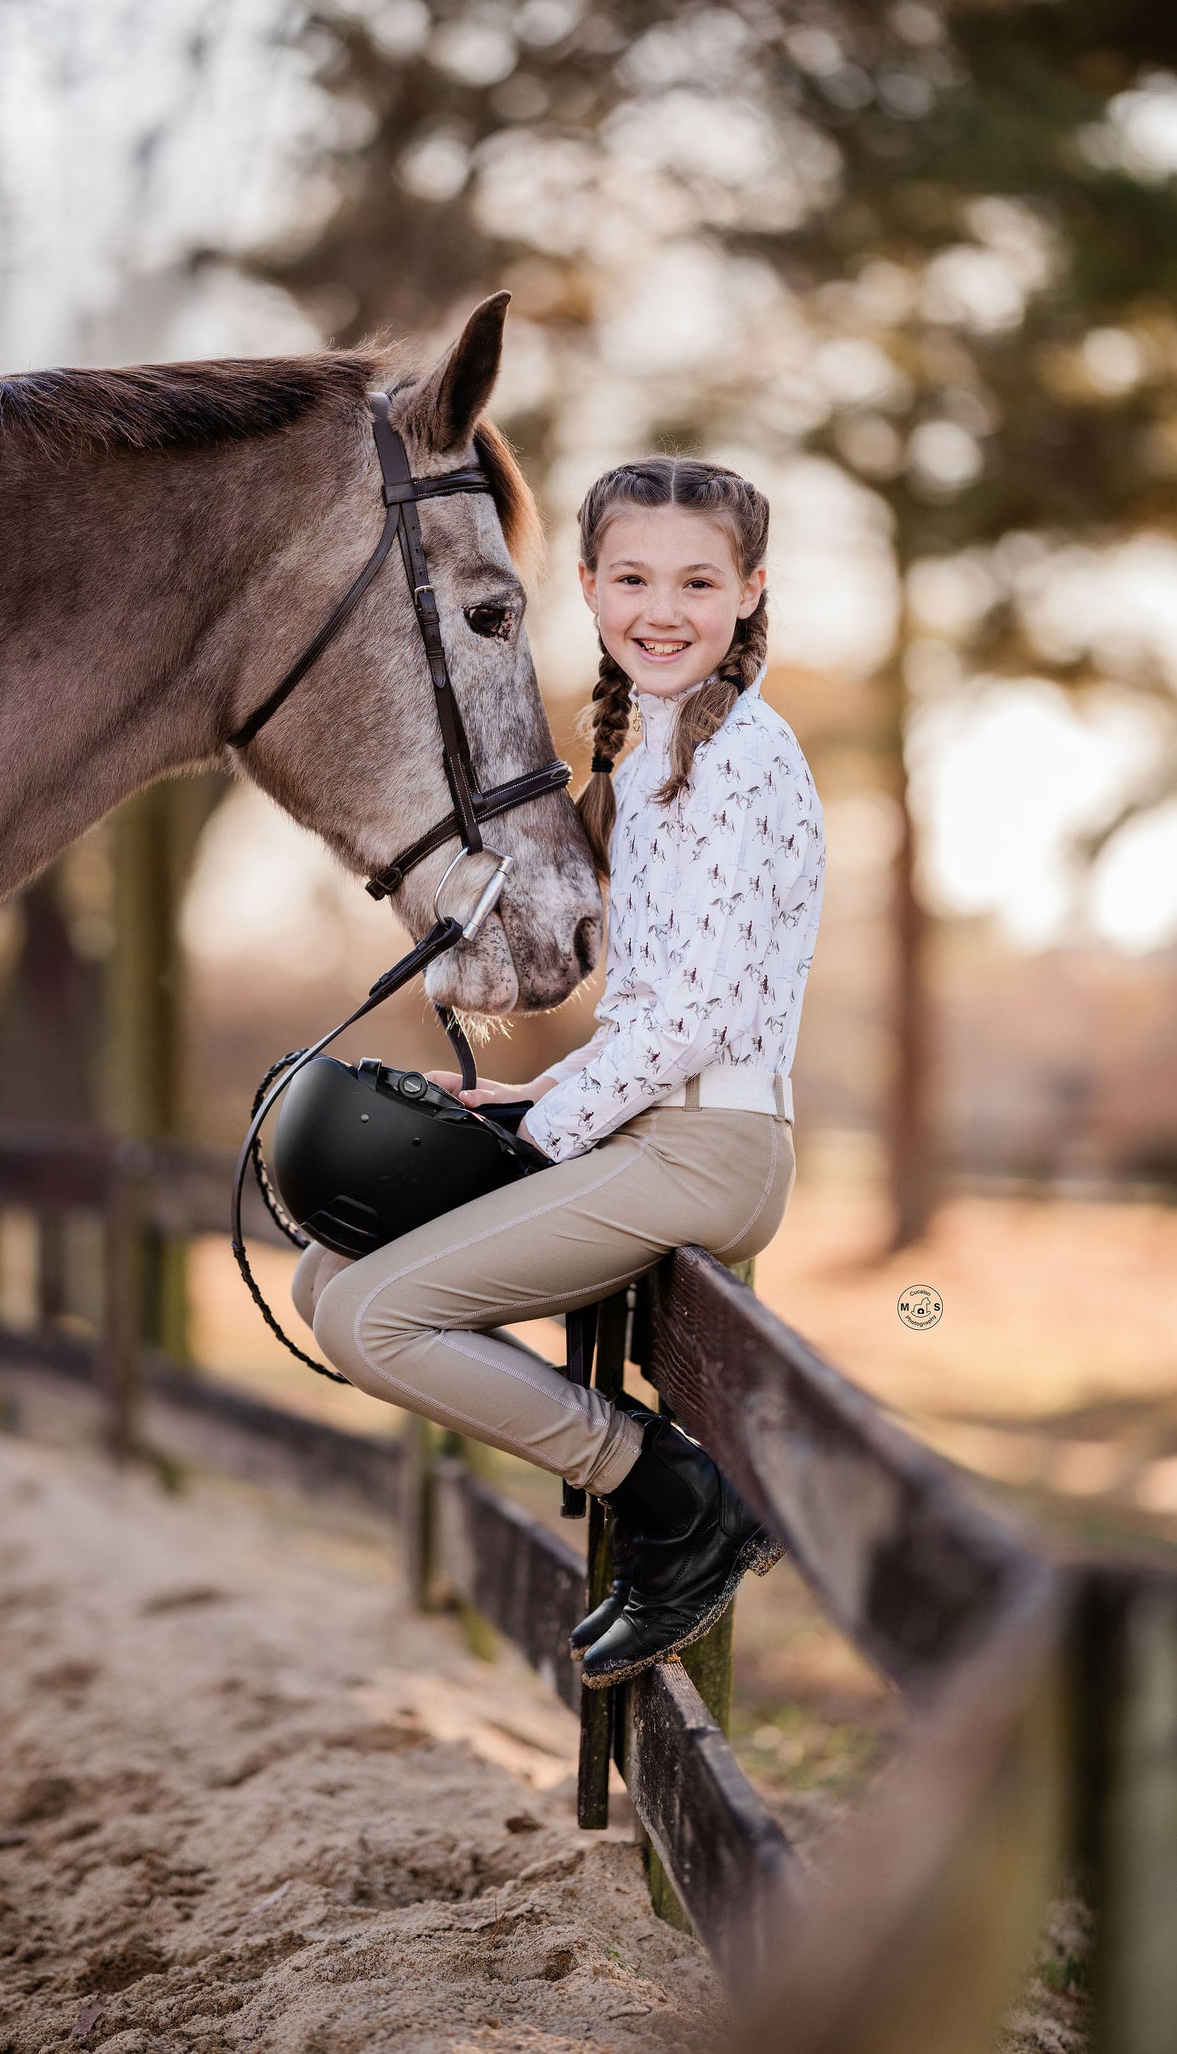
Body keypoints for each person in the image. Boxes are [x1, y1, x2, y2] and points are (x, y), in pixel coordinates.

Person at [291, 456, 825, 1688]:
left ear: (748, 592)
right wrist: (537, 1094)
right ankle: (660, 1486)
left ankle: (676, 1495)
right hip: (648, 1129)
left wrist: (552, 1129)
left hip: (709, 1149)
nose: (661, 607)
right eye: (631, 576)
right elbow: (656, 997)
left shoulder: (739, 755)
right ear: (585, 587)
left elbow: (697, 1013)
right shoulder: (651, 753)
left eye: (697, 581)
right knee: (331, 1271)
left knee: (374, 1317)